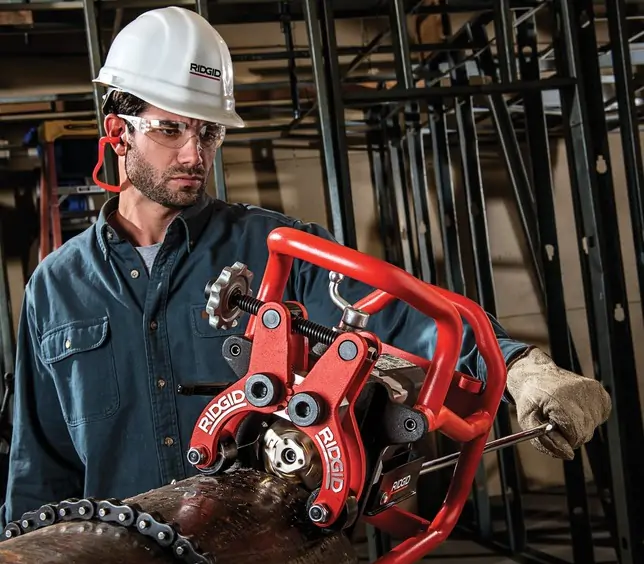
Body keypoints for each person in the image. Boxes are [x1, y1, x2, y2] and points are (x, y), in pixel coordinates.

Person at [0, 7, 611, 527]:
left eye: (208, 133)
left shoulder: (277, 249)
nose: (194, 154)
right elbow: (40, 466)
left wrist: (520, 368)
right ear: (118, 132)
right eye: (171, 130)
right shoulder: (55, 287)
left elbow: (401, 314)